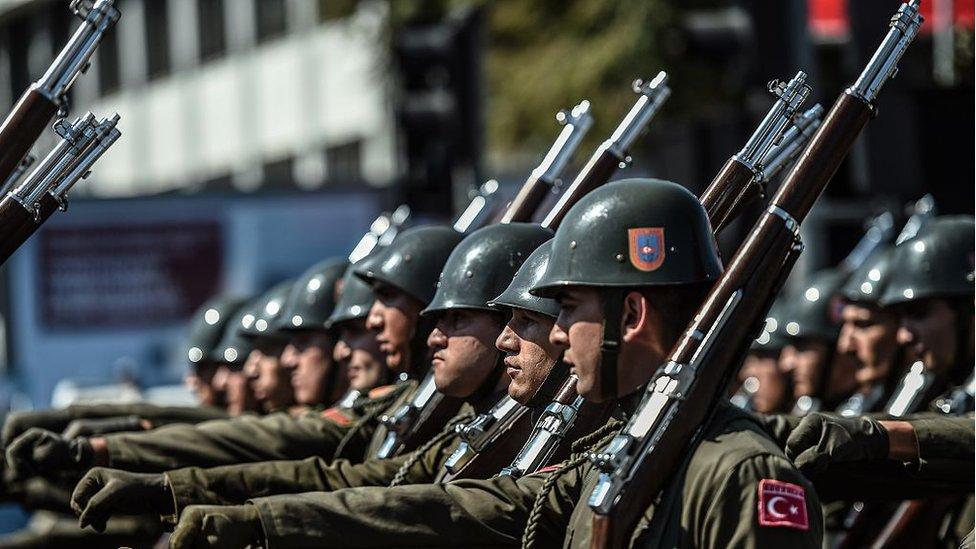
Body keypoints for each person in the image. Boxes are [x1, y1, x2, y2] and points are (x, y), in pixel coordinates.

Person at [167, 179, 823, 549]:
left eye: (567, 309)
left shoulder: (740, 471)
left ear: (632, 317)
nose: (556, 337)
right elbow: (458, 508)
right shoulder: (622, 450)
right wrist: (263, 520)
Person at [68, 224, 552, 531]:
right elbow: (349, 476)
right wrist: (149, 475)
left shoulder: (537, 427)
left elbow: (444, 507)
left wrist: (250, 518)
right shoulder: (460, 416)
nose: (353, 342)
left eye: (455, 319)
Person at [5, 229, 463, 477]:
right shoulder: (396, 406)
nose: (282, 361)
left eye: (300, 344)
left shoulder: (407, 408)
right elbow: (245, 436)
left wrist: (105, 447)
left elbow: (280, 451)